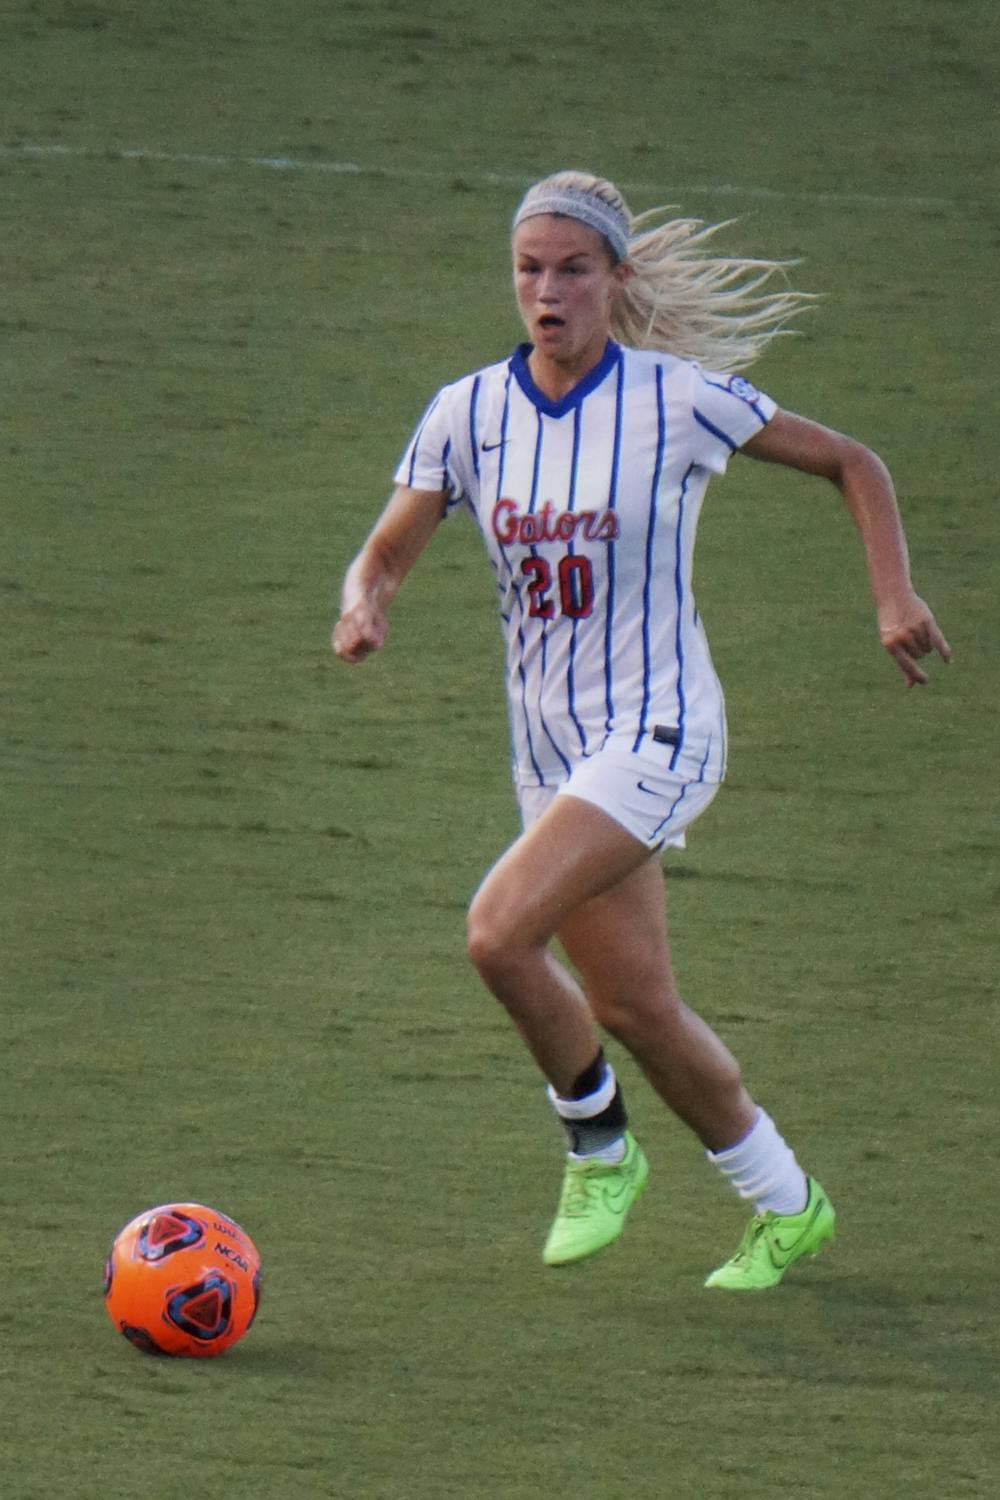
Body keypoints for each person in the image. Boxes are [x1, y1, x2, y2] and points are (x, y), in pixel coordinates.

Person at [333, 171, 950, 1289]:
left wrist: (892, 595)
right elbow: (385, 550)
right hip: (550, 755)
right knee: (632, 1005)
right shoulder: (466, 413)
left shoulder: (679, 400)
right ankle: (787, 1203)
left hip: (660, 728)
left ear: (616, 279)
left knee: (496, 934)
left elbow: (851, 462)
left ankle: (599, 1146)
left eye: (573, 269)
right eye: (530, 269)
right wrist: (365, 602)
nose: (548, 291)